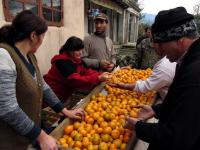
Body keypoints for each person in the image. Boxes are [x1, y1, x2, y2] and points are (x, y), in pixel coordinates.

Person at [0, 10, 84, 150]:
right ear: (33, 36)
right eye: (43, 36)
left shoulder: (30, 56)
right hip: (10, 140)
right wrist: (41, 136)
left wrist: (64, 110)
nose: (42, 41)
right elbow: (7, 108)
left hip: (28, 135)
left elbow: (42, 85)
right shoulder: (4, 56)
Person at [124, 7, 200, 150]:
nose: (158, 51)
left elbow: (178, 137)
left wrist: (138, 127)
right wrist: (158, 110)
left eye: (161, 44)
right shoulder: (188, 61)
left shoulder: (195, 74)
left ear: (179, 39)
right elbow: (181, 102)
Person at [44, 36, 111, 104]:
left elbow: (86, 71)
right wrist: (98, 78)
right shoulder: (62, 62)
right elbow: (76, 80)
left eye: (81, 50)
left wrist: (101, 74)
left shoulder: (75, 60)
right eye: (77, 50)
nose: (80, 53)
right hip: (52, 94)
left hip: (63, 94)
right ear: (70, 50)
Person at [109, 43, 176, 101]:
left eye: (154, 42)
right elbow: (137, 56)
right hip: (148, 74)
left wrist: (124, 86)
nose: (152, 45)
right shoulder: (168, 59)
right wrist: (131, 66)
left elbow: (146, 86)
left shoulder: (164, 66)